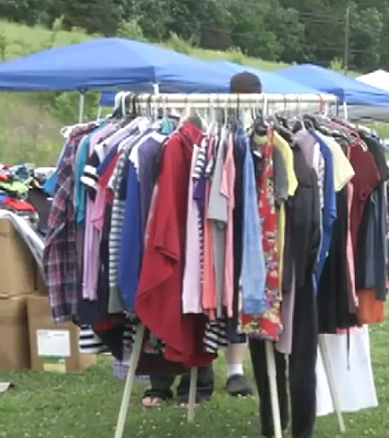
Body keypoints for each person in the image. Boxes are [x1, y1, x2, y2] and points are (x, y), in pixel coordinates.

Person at [141, 72, 263, 408]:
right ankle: (175, 379)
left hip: (216, 228)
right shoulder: (195, 136)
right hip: (199, 226)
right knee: (202, 284)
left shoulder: (249, 132)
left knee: (220, 285)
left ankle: (225, 371)